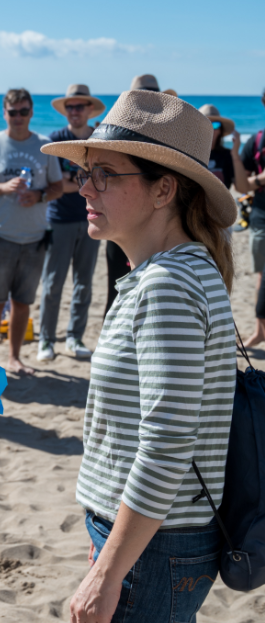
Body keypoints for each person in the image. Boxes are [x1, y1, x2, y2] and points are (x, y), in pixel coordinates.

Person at [43, 90, 237, 623]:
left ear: (163, 190)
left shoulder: (168, 286)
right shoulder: (180, 271)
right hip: (153, 538)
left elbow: (167, 444)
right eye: (85, 173)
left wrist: (108, 571)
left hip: (155, 546)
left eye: (104, 173)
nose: (84, 186)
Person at [0, 88, 63, 375]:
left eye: (24, 111)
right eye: (13, 112)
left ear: (32, 112)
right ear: (5, 113)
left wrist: (39, 196)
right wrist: (2, 187)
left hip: (35, 240)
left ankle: (14, 358)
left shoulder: (45, 146)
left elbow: (58, 187)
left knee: (22, 303)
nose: (19, 117)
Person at [37, 84, 105, 363]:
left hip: (93, 219)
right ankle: (46, 340)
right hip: (60, 219)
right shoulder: (57, 140)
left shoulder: (99, 139)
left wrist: (73, 183)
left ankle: (74, 336)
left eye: (79, 106)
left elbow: (102, 181)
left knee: (84, 283)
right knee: (53, 283)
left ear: (90, 109)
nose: (74, 112)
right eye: (70, 107)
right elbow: (53, 185)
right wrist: (81, 182)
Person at [104, 74, 178, 314]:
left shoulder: (169, 139)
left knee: (154, 289)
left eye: (154, 100)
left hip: (159, 226)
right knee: (117, 288)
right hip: (122, 222)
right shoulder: (117, 136)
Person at [234, 90, 265, 347]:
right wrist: (262, 179)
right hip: (261, 216)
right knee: (261, 275)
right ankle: (260, 331)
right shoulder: (256, 141)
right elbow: (242, 186)